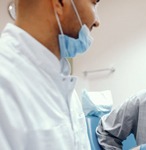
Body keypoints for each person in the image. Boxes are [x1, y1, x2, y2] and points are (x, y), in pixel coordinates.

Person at [0, 0, 100, 149]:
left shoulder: (63, 81)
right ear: (59, 3)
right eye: (94, 2)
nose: (97, 22)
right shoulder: (5, 83)